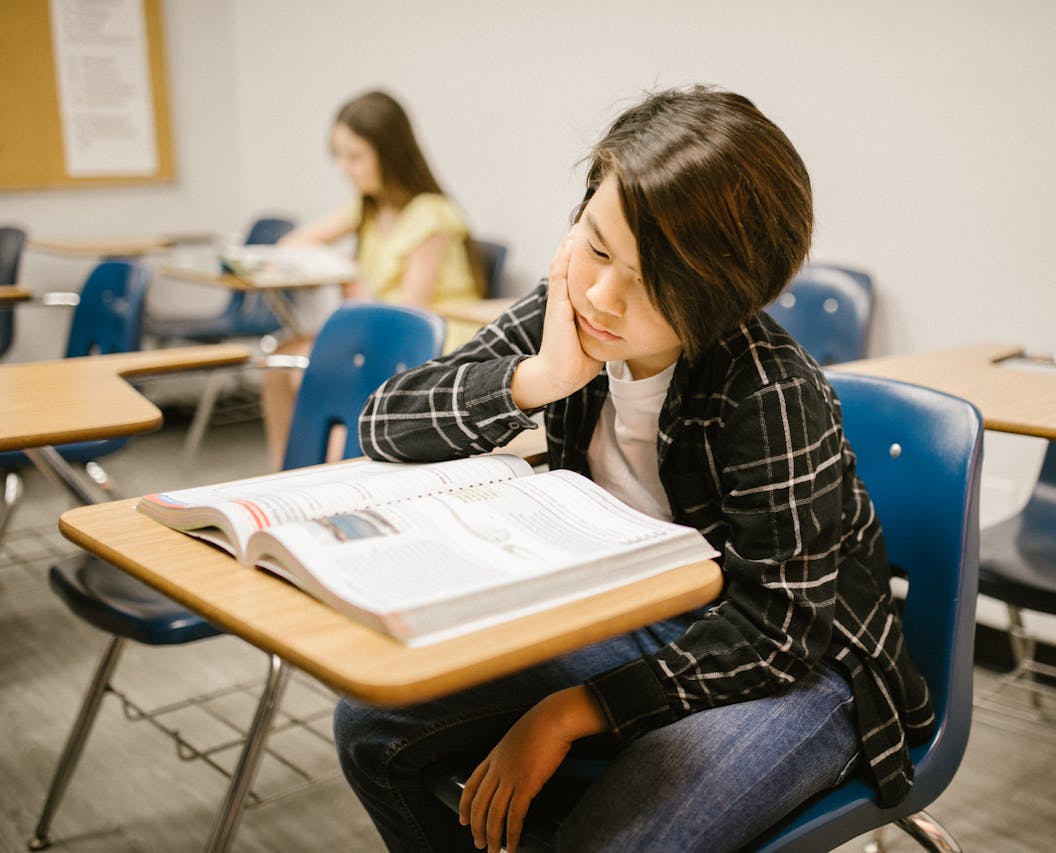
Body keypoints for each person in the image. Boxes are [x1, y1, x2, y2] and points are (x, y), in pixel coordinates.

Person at [335, 85, 933, 853]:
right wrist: (538, 379)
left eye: (652, 279)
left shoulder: (769, 388)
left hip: (804, 668)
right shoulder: (571, 305)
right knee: (370, 726)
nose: (603, 295)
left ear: (724, 296)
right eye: (595, 244)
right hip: (636, 618)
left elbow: (777, 633)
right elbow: (386, 419)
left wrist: (568, 711)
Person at [260, 89, 483, 469]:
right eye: (339, 156)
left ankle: (329, 474)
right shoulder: (367, 207)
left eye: (355, 157)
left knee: (317, 373)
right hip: (377, 325)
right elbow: (290, 246)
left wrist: (359, 287)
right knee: (280, 358)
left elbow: (411, 312)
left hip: (435, 333)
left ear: (389, 154)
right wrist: (341, 263)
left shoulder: (431, 215)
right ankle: (288, 470)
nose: (344, 167)